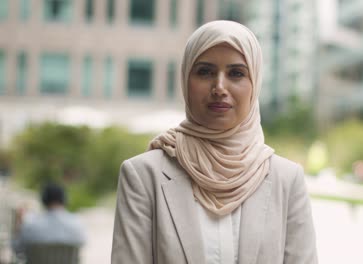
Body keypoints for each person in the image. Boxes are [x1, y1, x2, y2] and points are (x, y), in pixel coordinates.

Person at [111, 20, 318, 264]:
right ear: (185, 80)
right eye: (205, 71)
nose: (219, 87)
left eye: (236, 73)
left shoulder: (287, 180)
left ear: (255, 85)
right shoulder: (144, 175)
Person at [12, 183, 85, 256]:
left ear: (43, 199)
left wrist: (18, 224)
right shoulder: (76, 223)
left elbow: (17, 249)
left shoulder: (31, 224)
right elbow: (82, 243)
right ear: (64, 199)